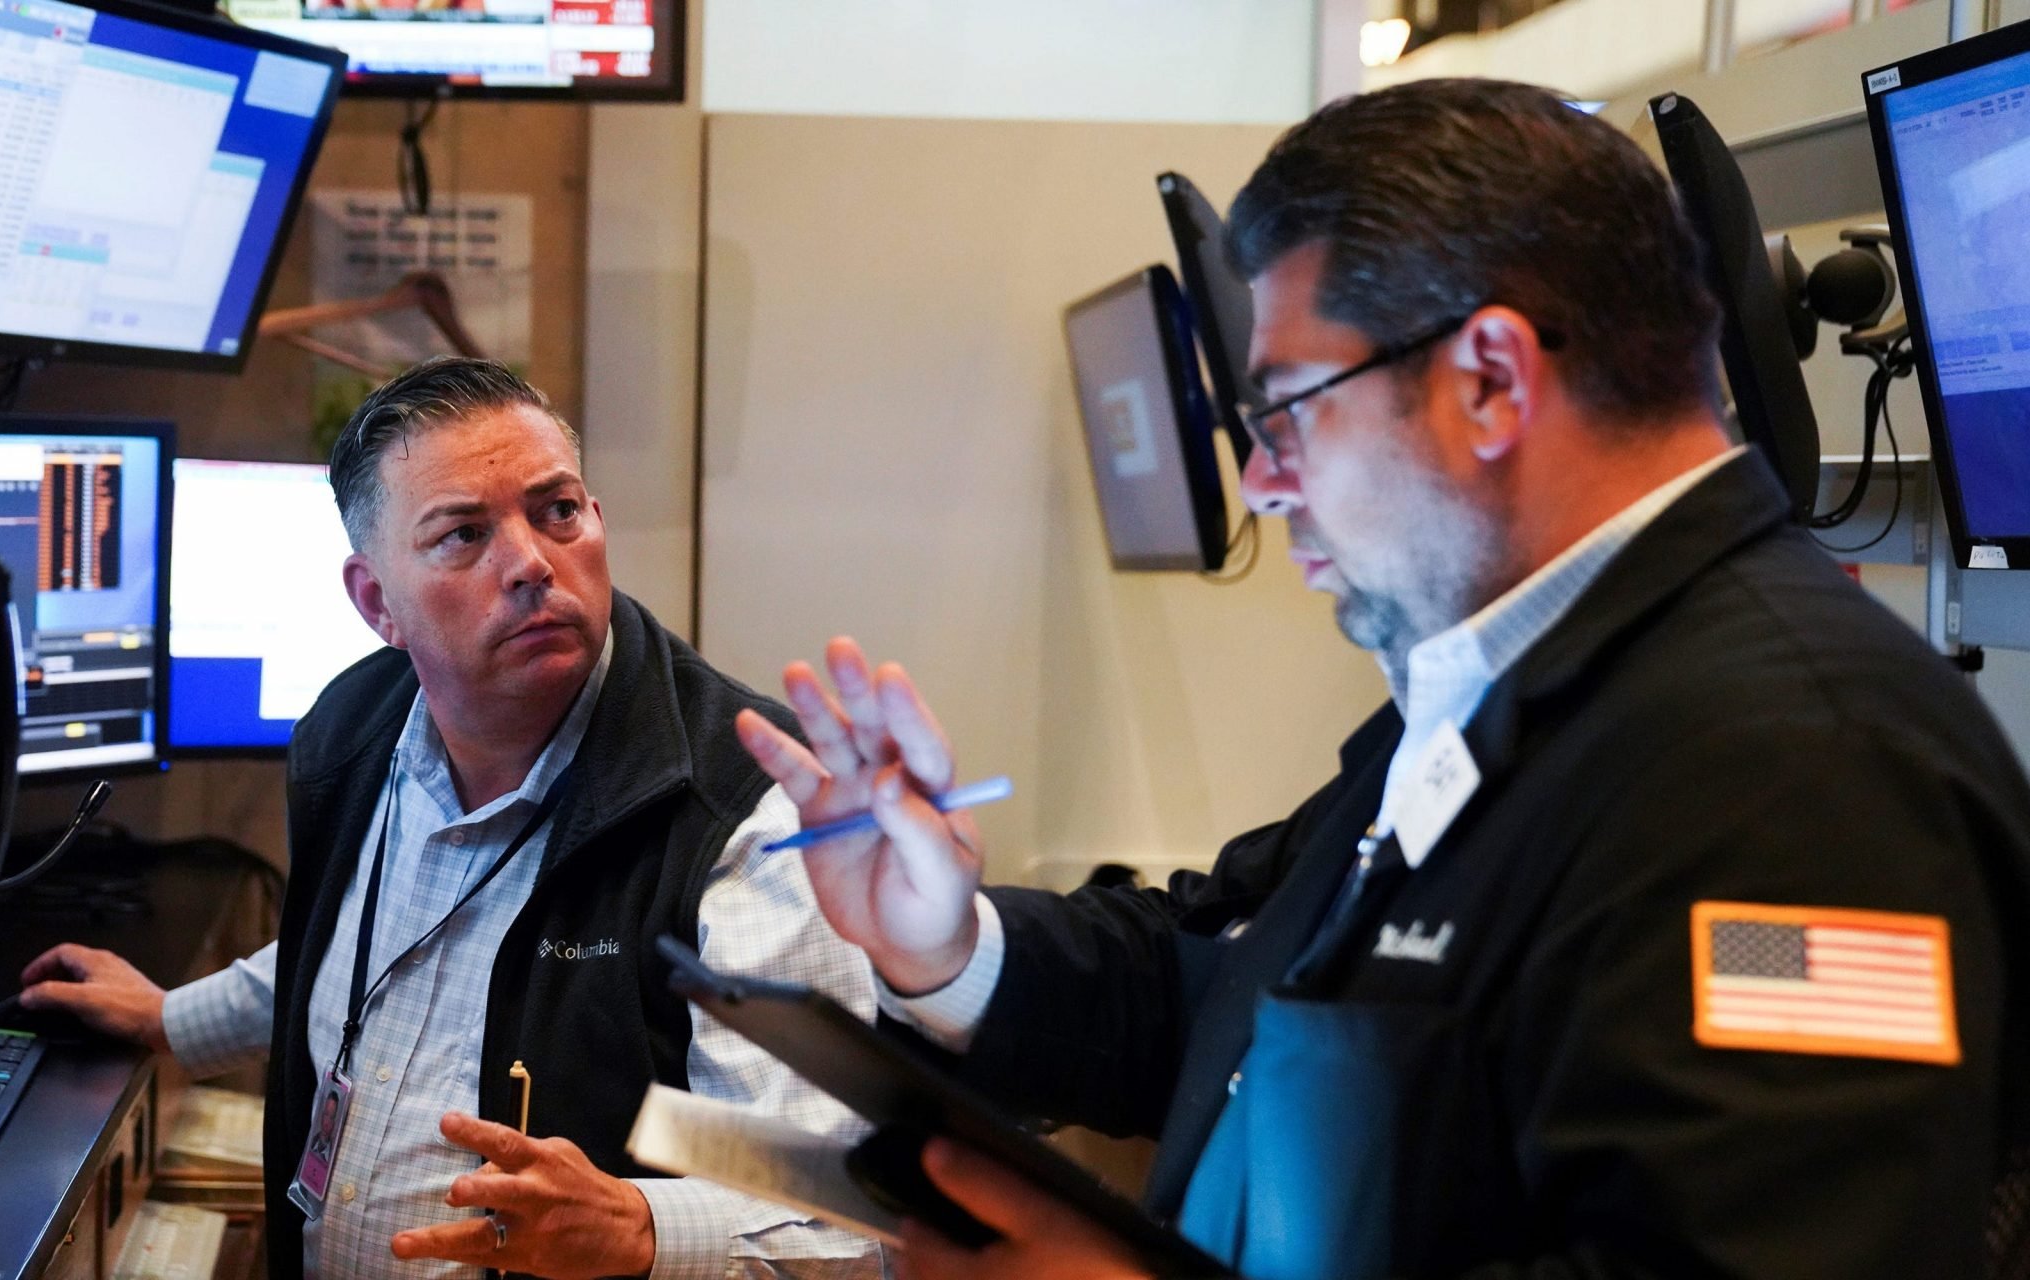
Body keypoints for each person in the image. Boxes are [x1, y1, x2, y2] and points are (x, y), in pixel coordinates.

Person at [735, 79, 2030, 1279]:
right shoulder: (1484, 689)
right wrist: (942, 943)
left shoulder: (1803, 766)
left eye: (1290, 406)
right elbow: (1241, 996)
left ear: (1490, 380)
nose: (1263, 479)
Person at [19, 357, 882, 1280]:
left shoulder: (748, 810)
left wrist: (639, 1226)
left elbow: (835, 1213)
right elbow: (350, 949)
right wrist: (171, 1017)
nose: (530, 564)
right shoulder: (354, 729)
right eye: (464, 534)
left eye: (557, 512)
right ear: (376, 602)